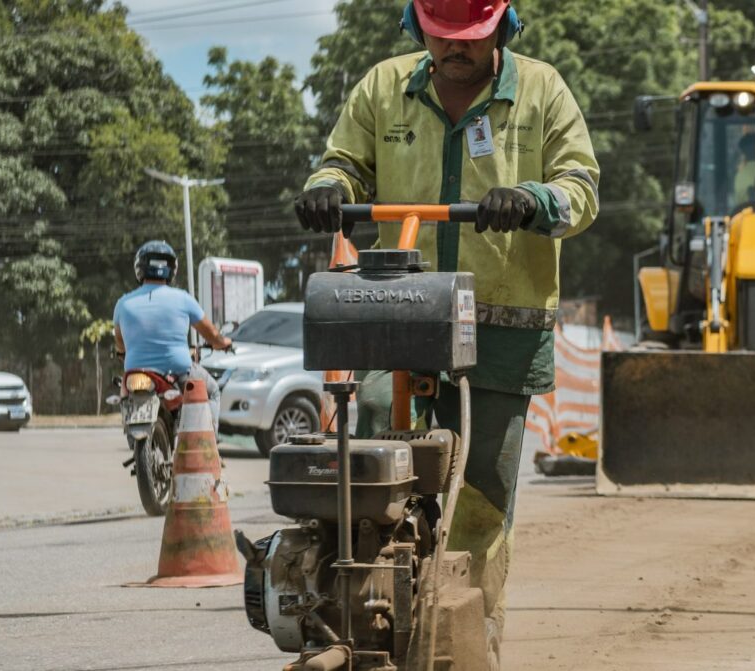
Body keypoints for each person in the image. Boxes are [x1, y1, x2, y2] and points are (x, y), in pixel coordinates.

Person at [292, 0, 599, 664]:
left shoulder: (543, 88)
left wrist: (534, 198)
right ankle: (359, 615)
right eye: (442, 36)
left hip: (503, 324)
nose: (454, 48)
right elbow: (343, 163)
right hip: (399, 314)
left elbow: (581, 185)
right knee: (368, 477)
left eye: (470, 37)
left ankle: (470, 635)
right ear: (418, 23)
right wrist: (328, 187)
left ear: (502, 27)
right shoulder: (383, 86)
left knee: (481, 500)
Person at [113, 241, 232, 402]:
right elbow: (211, 334)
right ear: (172, 269)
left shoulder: (123, 304)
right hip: (178, 372)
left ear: (139, 268)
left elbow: (120, 344)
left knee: (125, 397)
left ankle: (128, 421)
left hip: (135, 371)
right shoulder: (184, 298)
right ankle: (205, 428)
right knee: (213, 392)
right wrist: (223, 342)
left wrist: (123, 353)